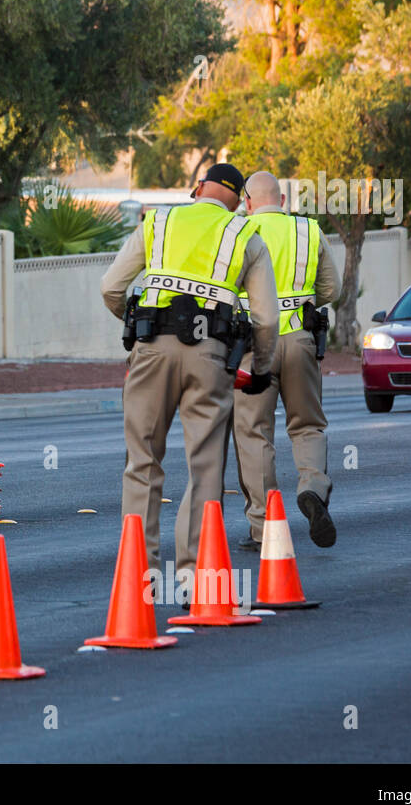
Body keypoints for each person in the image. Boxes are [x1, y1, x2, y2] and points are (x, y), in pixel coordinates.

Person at [100, 163, 280, 584]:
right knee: (204, 464)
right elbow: (266, 320)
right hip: (211, 357)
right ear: (240, 202)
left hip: (152, 351)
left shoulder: (158, 221)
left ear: (198, 188)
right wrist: (261, 367)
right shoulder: (245, 235)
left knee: (142, 459)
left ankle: (138, 574)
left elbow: (110, 286)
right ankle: (191, 575)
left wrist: (134, 322)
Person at [231, 171, 342, 551]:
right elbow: (332, 288)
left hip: (250, 348)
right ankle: (312, 486)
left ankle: (264, 528)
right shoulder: (308, 231)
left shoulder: (237, 232)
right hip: (300, 340)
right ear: (281, 200)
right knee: (307, 424)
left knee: (253, 432)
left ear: (247, 203)